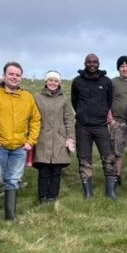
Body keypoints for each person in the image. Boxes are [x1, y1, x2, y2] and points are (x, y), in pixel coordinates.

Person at [0, 61, 41, 220]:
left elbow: (35, 120)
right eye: (11, 74)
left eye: (18, 75)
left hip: (19, 147)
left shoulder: (27, 97)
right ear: (4, 76)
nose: (14, 77)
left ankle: (10, 217)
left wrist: (31, 141)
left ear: (21, 77)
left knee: (13, 181)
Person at [71, 53, 117, 199]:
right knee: (84, 159)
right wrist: (82, 114)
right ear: (85, 63)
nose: (92, 64)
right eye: (89, 62)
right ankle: (88, 193)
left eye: (95, 62)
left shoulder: (106, 81)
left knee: (109, 158)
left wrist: (102, 113)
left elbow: (109, 101)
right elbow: (74, 101)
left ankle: (110, 193)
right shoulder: (77, 82)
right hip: (83, 127)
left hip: (101, 126)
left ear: (99, 63)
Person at [33, 70, 75, 204]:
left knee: (56, 171)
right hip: (42, 139)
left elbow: (69, 119)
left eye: (56, 81)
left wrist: (70, 138)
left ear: (59, 83)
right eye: (50, 80)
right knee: (44, 171)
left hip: (59, 139)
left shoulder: (64, 99)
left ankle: (53, 197)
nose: (53, 83)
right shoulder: (37, 97)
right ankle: (42, 198)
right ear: (46, 81)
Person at [110, 55, 127, 187]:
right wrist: (111, 121)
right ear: (118, 69)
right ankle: (116, 177)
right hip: (118, 122)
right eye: (122, 66)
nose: (125, 69)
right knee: (117, 152)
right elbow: (105, 102)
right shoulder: (112, 83)